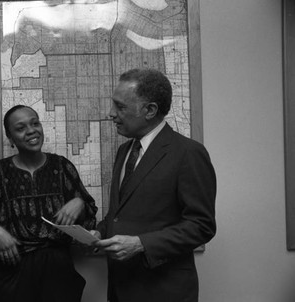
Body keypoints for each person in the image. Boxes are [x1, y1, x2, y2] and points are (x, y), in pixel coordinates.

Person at [92, 68, 216, 302]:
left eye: (120, 107)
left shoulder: (188, 153)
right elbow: (120, 213)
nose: (111, 113)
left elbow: (202, 226)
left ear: (150, 110)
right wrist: (99, 231)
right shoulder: (124, 151)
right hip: (121, 289)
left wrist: (141, 244)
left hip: (164, 290)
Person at [0, 105, 98, 302]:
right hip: (13, 272)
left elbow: (89, 218)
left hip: (58, 271)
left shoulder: (62, 166)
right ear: (10, 138)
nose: (31, 130)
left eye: (35, 123)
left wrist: (80, 203)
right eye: (21, 128)